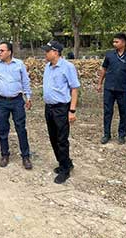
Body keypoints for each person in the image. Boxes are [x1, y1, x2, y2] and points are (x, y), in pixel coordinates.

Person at [0, 41, 32, 169]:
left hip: (17, 100)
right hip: (0, 101)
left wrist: (28, 97)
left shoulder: (19, 64)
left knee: (21, 129)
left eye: (2, 50)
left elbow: (25, 81)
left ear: (9, 52)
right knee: (2, 129)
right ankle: (4, 155)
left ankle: (25, 156)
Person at [42, 40, 80, 184]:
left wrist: (72, 110)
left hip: (61, 108)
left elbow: (74, 88)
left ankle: (65, 170)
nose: (45, 53)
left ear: (56, 52)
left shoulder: (68, 67)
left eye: (47, 51)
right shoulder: (48, 66)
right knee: (53, 137)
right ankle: (64, 162)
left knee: (62, 139)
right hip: (49, 107)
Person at [97, 33, 126, 144]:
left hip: (123, 89)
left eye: (117, 42)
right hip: (109, 88)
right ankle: (106, 134)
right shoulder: (110, 55)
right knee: (107, 112)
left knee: (123, 112)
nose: (114, 43)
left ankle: (122, 135)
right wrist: (99, 83)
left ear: (124, 43)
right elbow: (104, 69)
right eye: (114, 42)